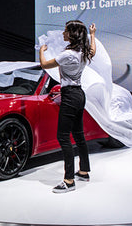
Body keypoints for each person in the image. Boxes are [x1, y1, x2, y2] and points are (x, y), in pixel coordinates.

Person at [39, 20, 96, 193]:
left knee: (63, 137)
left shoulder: (68, 55)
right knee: (78, 135)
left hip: (70, 95)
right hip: (79, 94)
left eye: (65, 31)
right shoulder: (84, 52)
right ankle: (84, 171)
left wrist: (42, 51)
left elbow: (45, 64)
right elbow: (93, 50)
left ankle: (69, 180)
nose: (63, 33)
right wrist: (92, 35)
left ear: (72, 34)